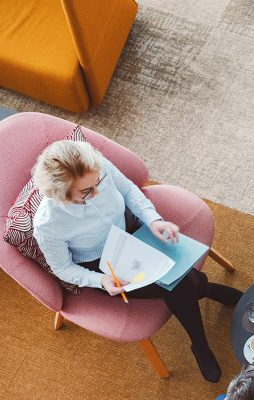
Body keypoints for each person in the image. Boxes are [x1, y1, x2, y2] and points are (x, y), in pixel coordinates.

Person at [30, 139, 242, 383]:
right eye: (87, 192)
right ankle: (200, 338)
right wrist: (100, 280)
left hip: (132, 230)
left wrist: (153, 221)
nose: (97, 192)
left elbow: (129, 190)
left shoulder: (96, 168)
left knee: (181, 280)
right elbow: (62, 267)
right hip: (103, 263)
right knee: (181, 283)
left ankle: (204, 295)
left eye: (97, 181)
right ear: (61, 195)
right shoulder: (48, 225)